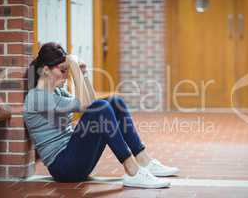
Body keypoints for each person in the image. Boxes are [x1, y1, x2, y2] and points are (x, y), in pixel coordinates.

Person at [23, 42, 179, 188]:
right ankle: (133, 171)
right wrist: (74, 67)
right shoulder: (37, 98)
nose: (65, 76)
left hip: (74, 157)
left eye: (66, 71)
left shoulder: (56, 91)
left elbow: (90, 106)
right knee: (102, 107)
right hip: (64, 167)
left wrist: (84, 75)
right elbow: (87, 106)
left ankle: (143, 160)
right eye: (62, 71)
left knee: (114, 102)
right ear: (45, 70)